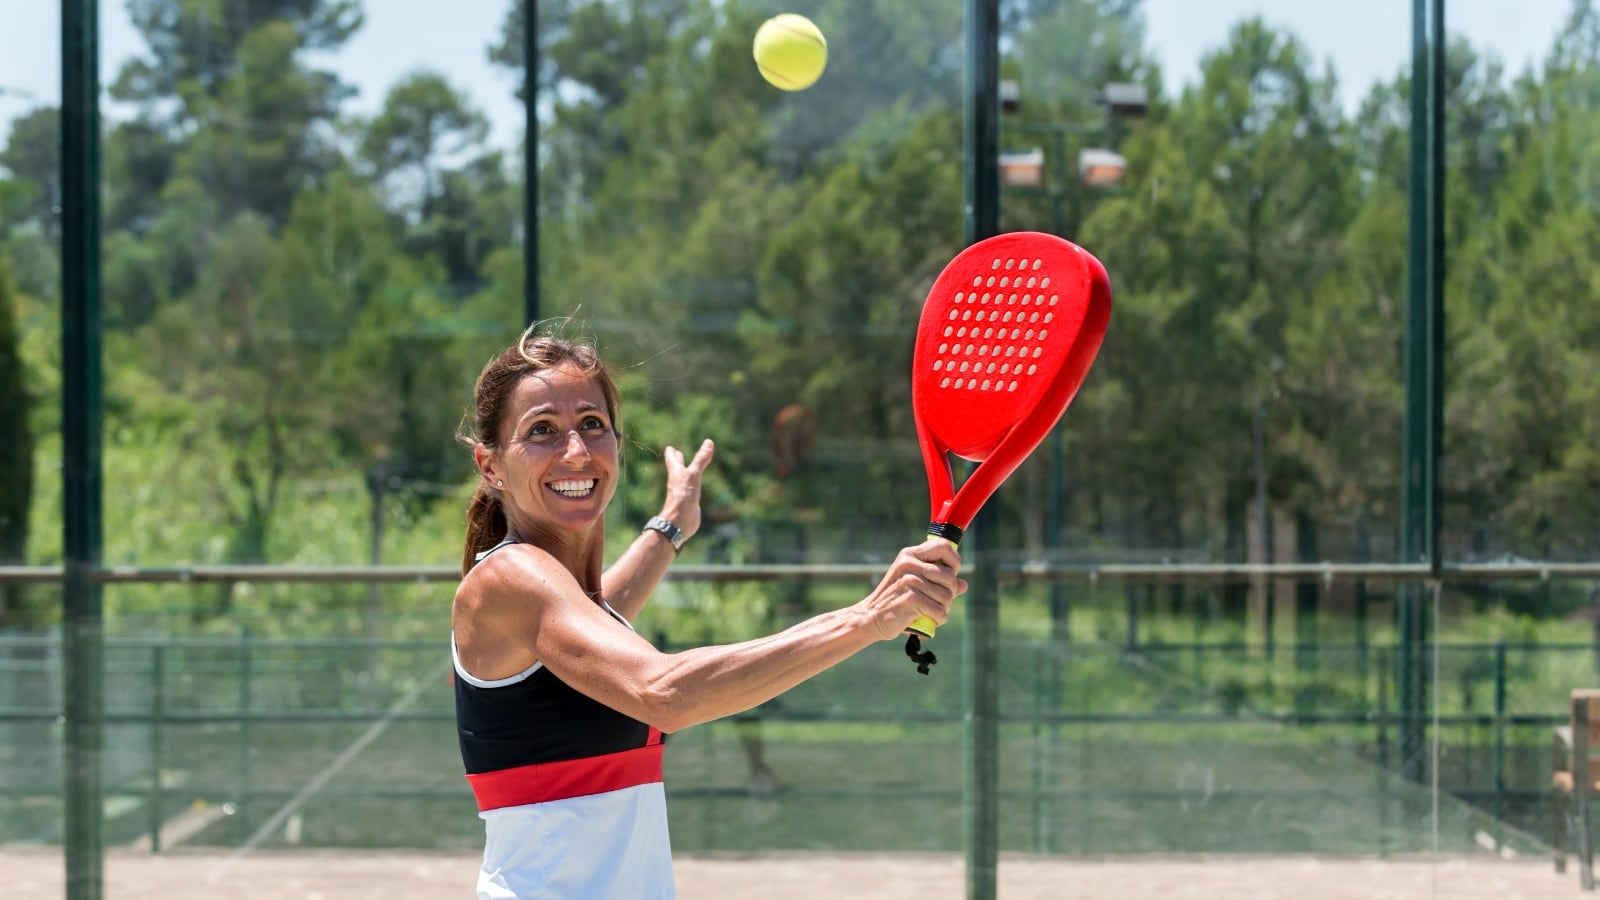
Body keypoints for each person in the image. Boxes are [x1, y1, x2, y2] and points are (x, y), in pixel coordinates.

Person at [450, 324, 966, 899]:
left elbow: (606, 612)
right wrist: (866, 618)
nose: (576, 451)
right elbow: (661, 692)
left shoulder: (570, 609)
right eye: (541, 430)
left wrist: (671, 525)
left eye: (592, 425)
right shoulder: (511, 578)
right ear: (491, 466)